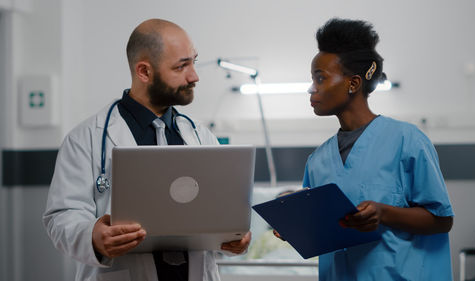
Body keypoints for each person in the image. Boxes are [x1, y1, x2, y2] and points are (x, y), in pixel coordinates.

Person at [43, 19, 250, 281]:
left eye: (193, 62)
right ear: (144, 72)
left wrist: (236, 238)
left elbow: (222, 212)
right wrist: (92, 236)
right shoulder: (86, 139)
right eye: (181, 66)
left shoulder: (200, 135)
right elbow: (61, 216)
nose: (194, 76)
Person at [277, 18, 454, 281]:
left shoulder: (407, 141)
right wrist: (295, 226)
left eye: (320, 78)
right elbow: (321, 231)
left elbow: (442, 220)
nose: (311, 88)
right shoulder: (318, 161)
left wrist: (384, 213)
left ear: (353, 83)